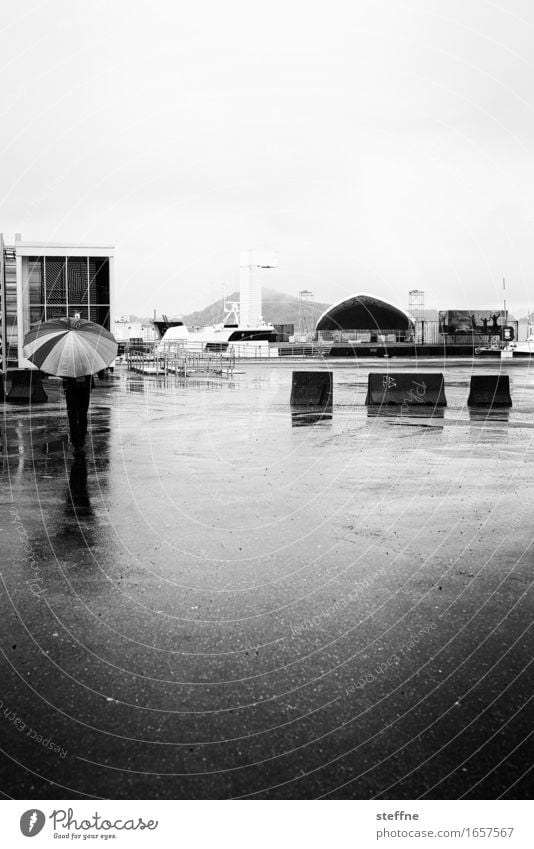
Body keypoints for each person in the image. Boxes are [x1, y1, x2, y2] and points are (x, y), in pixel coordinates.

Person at [62, 374, 94, 453]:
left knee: (78, 416)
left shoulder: (68, 363)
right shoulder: (86, 362)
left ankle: (78, 441)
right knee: (78, 416)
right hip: (76, 389)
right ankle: (78, 442)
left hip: (78, 389)